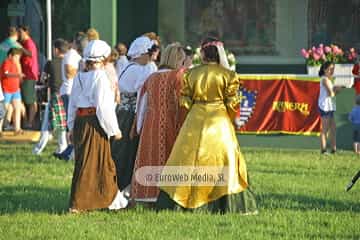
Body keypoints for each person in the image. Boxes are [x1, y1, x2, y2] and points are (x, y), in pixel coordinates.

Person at [155, 37, 258, 214]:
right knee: (224, 160)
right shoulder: (229, 75)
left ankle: (181, 201)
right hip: (219, 121)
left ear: (202, 54)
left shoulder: (190, 74)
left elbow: (185, 100)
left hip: (195, 119)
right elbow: (233, 104)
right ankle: (224, 203)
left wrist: (195, 108)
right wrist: (229, 117)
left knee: (186, 159)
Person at [67, 40, 126, 212]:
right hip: (95, 123)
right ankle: (80, 203)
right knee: (95, 162)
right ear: (104, 59)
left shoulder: (79, 76)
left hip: (81, 122)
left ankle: (111, 200)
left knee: (90, 161)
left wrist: (71, 126)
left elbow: (73, 104)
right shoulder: (100, 76)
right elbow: (103, 107)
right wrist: (114, 130)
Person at [130, 43, 186, 203]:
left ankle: (147, 194)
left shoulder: (151, 77)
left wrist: (139, 128)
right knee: (170, 157)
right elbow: (182, 103)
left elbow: (142, 105)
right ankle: (168, 196)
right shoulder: (178, 76)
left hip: (151, 124)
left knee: (150, 156)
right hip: (171, 122)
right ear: (178, 60)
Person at [111, 36, 157, 198]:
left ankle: (120, 189)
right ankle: (120, 189)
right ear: (141, 54)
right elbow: (140, 98)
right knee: (126, 152)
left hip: (121, 112)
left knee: (121, 151)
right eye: (149, 52)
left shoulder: (129, 66)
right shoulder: (141, 69)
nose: (152, 56)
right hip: (129, 116)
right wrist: (137, 123)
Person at [33, 39, 70, 155]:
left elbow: (42, 79)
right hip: (67, 95)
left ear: (56, 50)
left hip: (55, 95)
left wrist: (48, 81)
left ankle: (38, 149)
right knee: (63, 124)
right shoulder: (68, 62)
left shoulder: (50, 63)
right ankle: (61, 148)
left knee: (47, 124)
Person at [318, 61, 343, 154]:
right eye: (330, 69)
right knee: (325, 130)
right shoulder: (324, 79)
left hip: (331, 106)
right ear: (325, 70)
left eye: (333, 69)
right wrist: (337, 90)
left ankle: (333, 150)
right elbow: (331, 93)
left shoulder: (329, 79)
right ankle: (323, 150)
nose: (332, 71)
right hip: (325, 107)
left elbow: (332, 92)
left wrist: (337, 88)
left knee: (333, 129)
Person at [18, 25, 39, 129]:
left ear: (26, 32)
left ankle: (29, 122)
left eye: (20, 32)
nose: (19, 34)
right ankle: (28, 122)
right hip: (27, 75)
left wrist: (20, 48)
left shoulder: (29, 43)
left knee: (29, 100)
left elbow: (30, 53)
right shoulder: (25, 43)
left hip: (29, 75)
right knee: (27, 99)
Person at [0, 48, 24, 135]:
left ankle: (17, 128)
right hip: (6, 90)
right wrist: (17, 75)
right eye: (16, 57)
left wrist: (18, 87)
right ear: (10, 56)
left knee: (17, 108)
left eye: (19, 57)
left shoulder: (15, 64)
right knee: (3, 110)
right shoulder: (6, 62)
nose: (18, 59)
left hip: (15, 90)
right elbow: (6, 73)